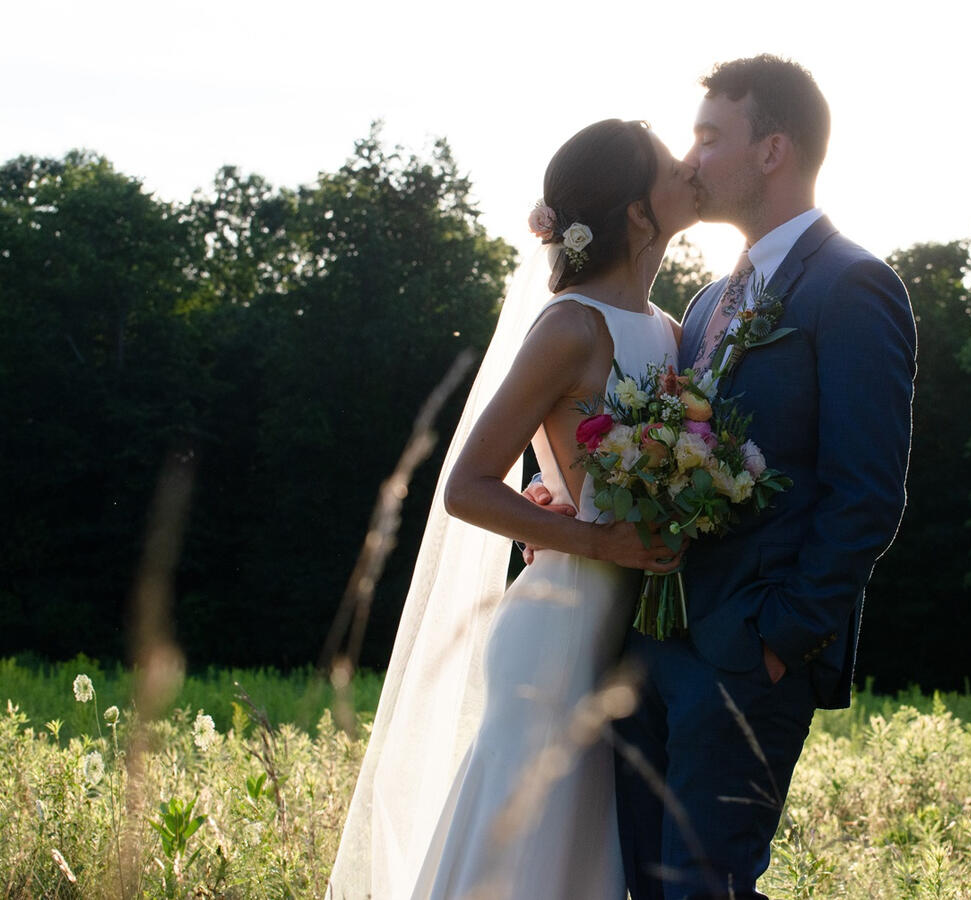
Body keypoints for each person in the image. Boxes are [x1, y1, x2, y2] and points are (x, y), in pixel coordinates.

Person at [325, 118, 699, 900]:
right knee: (529, 851)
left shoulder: (672, 331)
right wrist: (592, 539)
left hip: (629, 636)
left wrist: (580, 514)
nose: (691, 168)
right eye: (672, 164)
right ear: (637, 212)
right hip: (557, 636)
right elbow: (465, 486)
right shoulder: (570, 326)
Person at [610, 56, 917, 899]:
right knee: (639, 882)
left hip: (747, 656)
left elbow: (867, 496)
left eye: (710, 136)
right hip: (652, 646)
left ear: (773, 149)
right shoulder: (709, 300)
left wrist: (780, 641)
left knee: (705, 889)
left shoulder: (855, 287)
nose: (690, 157)